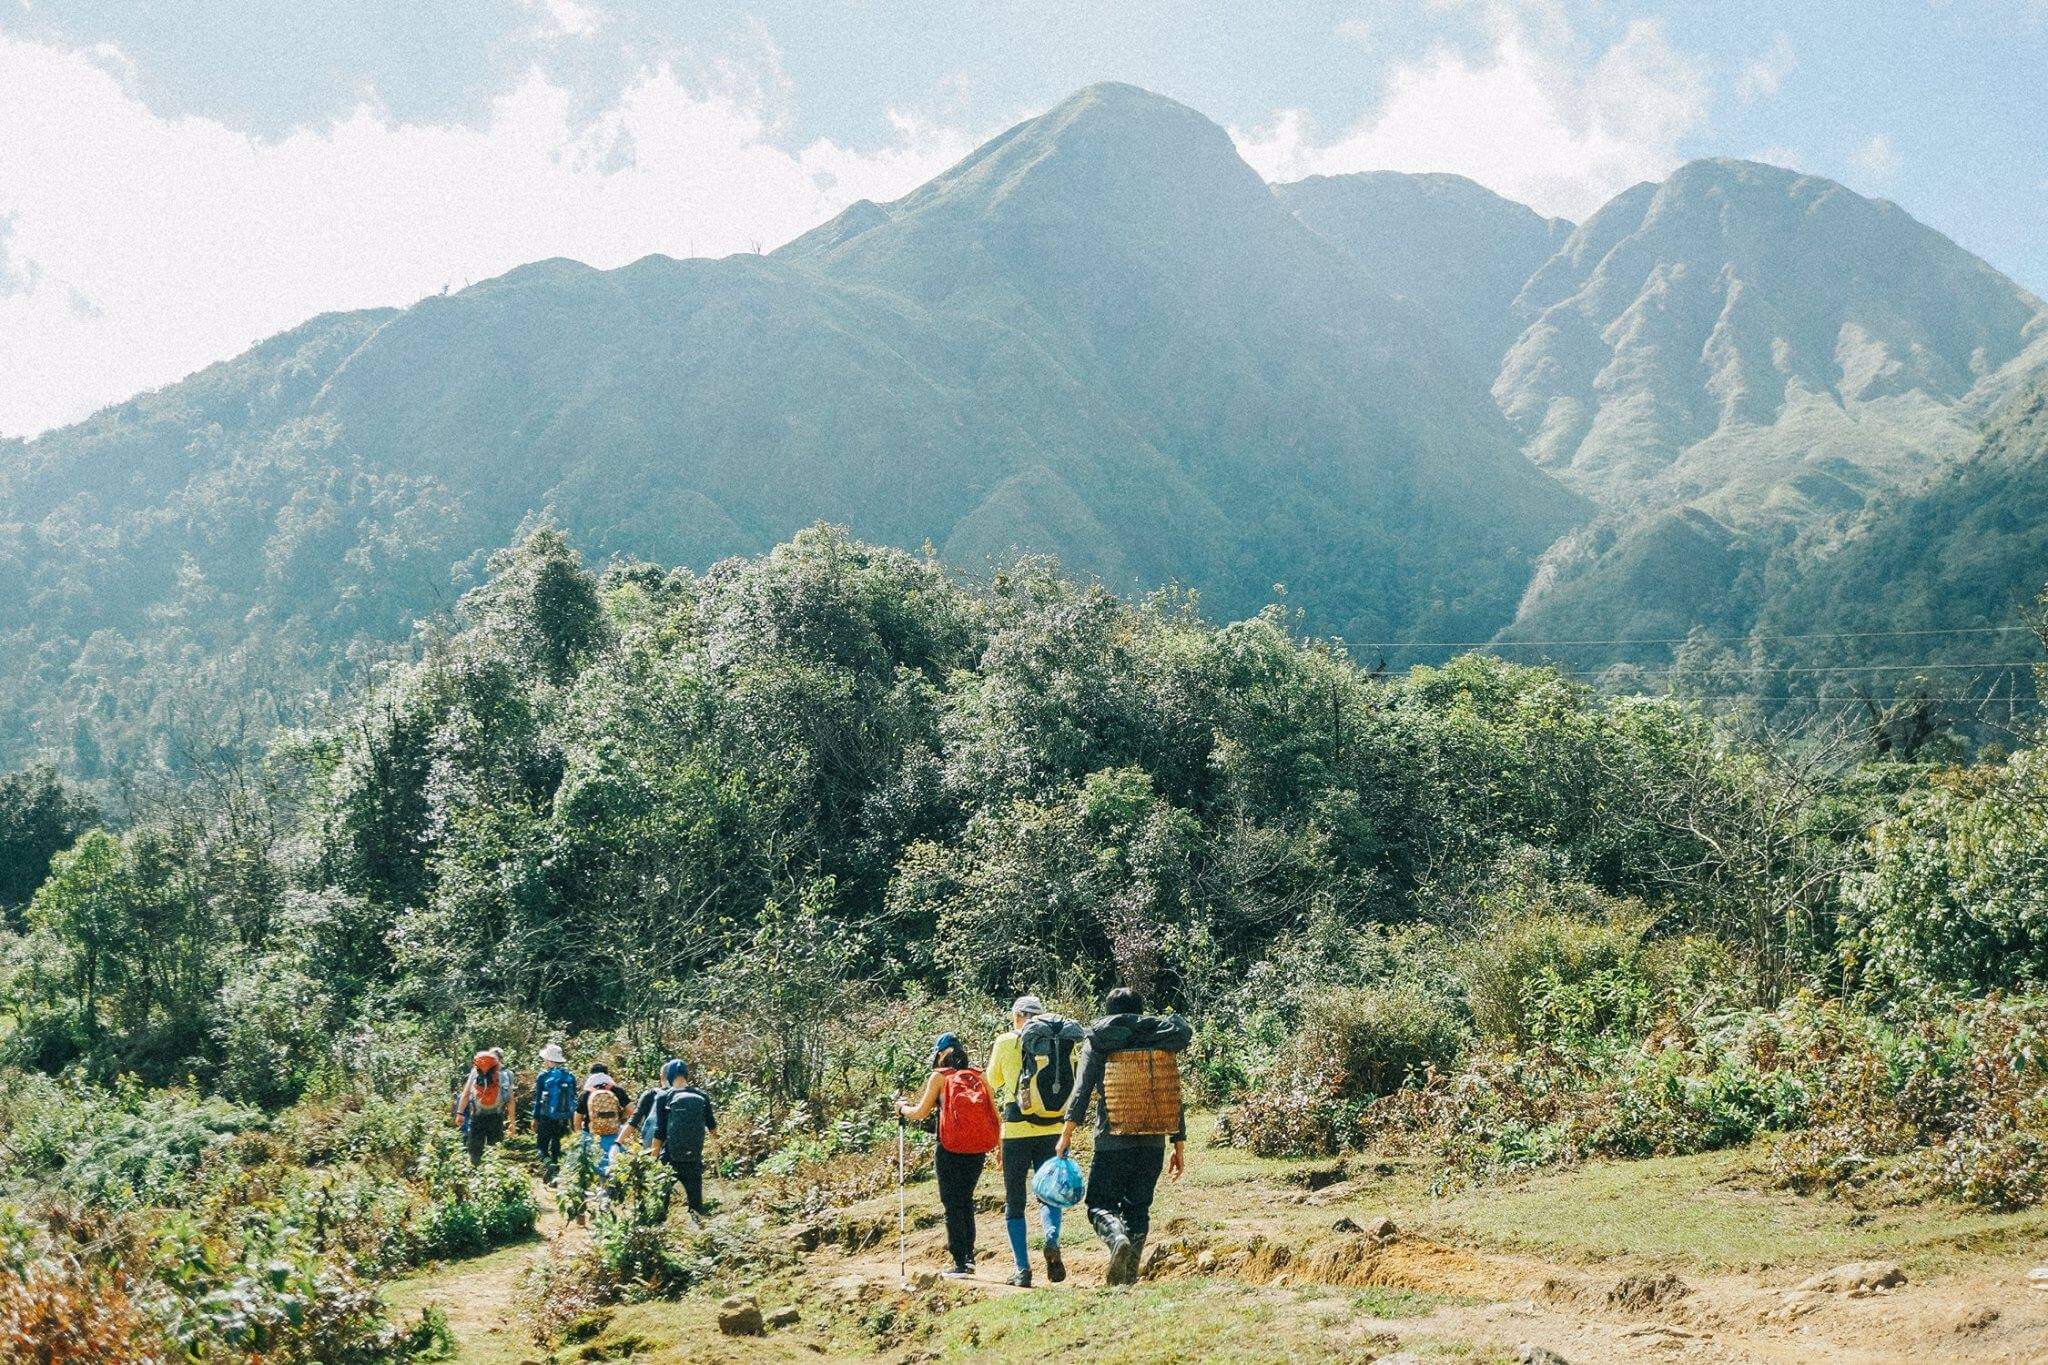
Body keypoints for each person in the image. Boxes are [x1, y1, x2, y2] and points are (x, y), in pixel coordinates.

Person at [1056, 988, 1192, 1286]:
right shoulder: (1159, 1038)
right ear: (1139, 1010)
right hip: (1153, 1140)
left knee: (1099, 1204)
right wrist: (1178, 1143)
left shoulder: (1099, 1039)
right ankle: (1128, 1278)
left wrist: (1066, 1133)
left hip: (1111, 1139)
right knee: (1138, 1207)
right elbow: (1171, 1092)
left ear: (1109, 1013)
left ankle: (1116, 1238)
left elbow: (1082, 1090)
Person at [986, 994, 1084, 1287]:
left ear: (1016, 1016)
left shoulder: (1006, 1042)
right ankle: (1052, 1239)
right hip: (1052, 1130)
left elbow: (993, 1081)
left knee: (1015, 1202)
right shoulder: (1060, 1042)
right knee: (1049, 1194)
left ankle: (1022, 1269)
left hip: (1016, 1131)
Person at [896, 1032, 1000, 1278]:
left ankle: (960, 1261)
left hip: (949, 1148)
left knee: (952, 1203)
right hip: (977, 1149)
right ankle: (969, 1257)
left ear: (941, 1054)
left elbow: (920, 1113)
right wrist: (1000, 1147)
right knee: (965, 1200)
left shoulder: (939, 1078)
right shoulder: (979, 1074)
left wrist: (901, 1108)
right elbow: (994, 1113)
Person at [646, 1059, 718, 1215]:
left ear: (670, 1076)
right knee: (697, 1207)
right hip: (693, 1158)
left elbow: (659, 1132)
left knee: (660, 1207)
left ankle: (659, 1228)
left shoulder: (663, 1097)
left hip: (669, 1158)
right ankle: (702, 1232)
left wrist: (653, 1160)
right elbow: (712, 1128)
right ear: (686, 1074)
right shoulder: (702, 1095)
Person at [453, 1048, 517, 1165]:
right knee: (494, 1149)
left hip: (477, 1114)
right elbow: (510, 1100)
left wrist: (459, 1113)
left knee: (475, 1150)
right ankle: (493, 1175)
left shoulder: (475, 1072)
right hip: (496, 1115)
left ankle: (475, 1173)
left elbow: (466, 1094)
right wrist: (512, 1122)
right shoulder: (507, 1074)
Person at [576, 1062, 634, 1173]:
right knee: (614, 1164)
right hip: (613, 1133)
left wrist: (579, 1136)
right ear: (607, 1074)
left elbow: (577, 1119)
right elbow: (631, 1110)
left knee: (594, 1164)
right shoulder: (616, 1090)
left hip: (592, 1134)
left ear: (591, 1075)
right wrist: (620, 1117)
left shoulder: (586, 1093)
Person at [531, 1043, 578, 1177]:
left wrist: (535, 1118)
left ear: (549, 1060)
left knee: (541, 1147)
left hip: (546, 1116)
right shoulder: (570, 1076)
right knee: (556, 1142)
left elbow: (538, 1100)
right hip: (563, 1117)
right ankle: (555, 1172)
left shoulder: (543, 1076)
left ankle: (548, 1164)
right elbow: (573, 1097)